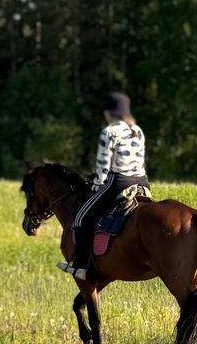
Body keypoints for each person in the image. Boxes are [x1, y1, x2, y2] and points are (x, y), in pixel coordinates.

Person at [59, 91, 150, 281]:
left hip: (119, 182)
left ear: (110, 112)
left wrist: (96, 185)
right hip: (142, 182)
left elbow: (103, 164)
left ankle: (81, 266)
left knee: (80, 218)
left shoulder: (110, 131)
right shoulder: (138, 130)